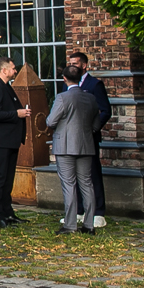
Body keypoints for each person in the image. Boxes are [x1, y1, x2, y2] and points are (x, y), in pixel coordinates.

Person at [48, 64, 102, 234]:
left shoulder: (62, 98)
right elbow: (96, 124)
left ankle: (70, 225)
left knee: (69, 184)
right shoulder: (90, 98)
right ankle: (89, 225)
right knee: (87, 184)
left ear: (64, 78)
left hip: (65, 146)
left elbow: (50, 121)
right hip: (85, 144)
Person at [0, 56, 32, 228]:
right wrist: (17, 114)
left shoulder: (6, 86)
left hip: (9, 139)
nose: (15, 71)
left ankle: (7, 212)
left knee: (8, 178)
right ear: (4, 70)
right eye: (13, 68)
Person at [68, 51, 112, 228]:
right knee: (74, 173)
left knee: (92, 174)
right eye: (70, 63)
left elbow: (105, 111)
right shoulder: (67, 84)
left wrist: (93, 128)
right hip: (73, 136)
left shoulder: (94, 84)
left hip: (89, 136)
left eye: (75, 63)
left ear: (84, 65)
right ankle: (79, 210)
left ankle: (98, 212)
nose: (72, 66)